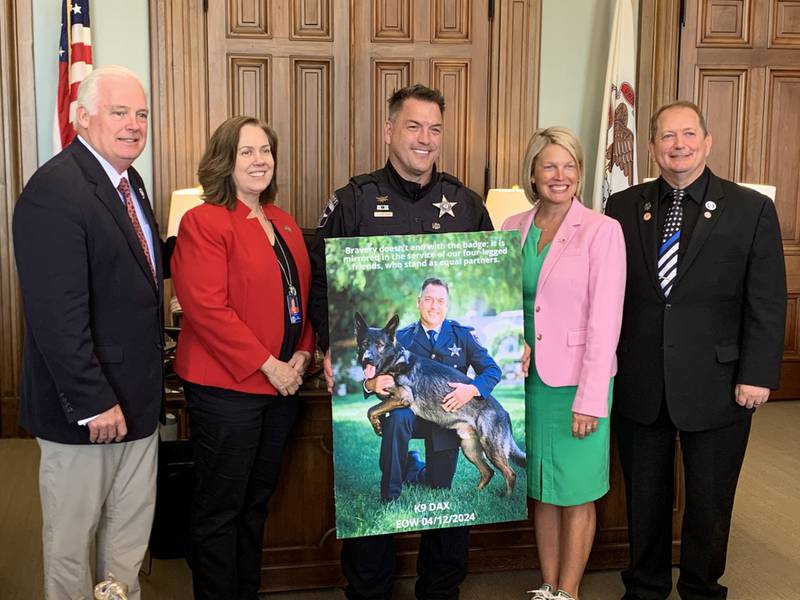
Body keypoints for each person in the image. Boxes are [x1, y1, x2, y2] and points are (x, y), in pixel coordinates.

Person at [309, 83, 493, 600]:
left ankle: (441, 592)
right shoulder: (353, 200)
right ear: (389, 130)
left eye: (434, 128)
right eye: (413, 126)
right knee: (371, 535)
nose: (425, 138)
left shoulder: (467, 203)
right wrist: (327, 346)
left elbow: (493, 262)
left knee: (448, 509)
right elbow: (321, 279)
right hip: (393, 386)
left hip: (446, 388)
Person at [605, 101, 786, 600]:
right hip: (641, 380)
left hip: (719, 383)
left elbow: (767, 301)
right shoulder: (623, 207)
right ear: (651, 147)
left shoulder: (750, 209)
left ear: (707, 141)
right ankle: (645, 587)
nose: (678, 145)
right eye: (666, 136)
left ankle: (703, 589)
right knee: (645, 498)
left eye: (688, 135)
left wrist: (758, 373)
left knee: (709, 501)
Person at [12, 65, 163, 599]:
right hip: (88, 413)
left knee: (126, 543)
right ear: (82, 117)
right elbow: (56, 315)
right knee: (72, 548)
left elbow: (135, 279)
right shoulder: (55, 190)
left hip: (139, 405)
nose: (133, 124)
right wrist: (93, 401)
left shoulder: (129, 181)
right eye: (119, 112)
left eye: (141, 113)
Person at [171, 116, 314, 600]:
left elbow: (302, 300)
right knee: (220, 510)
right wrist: (269, 364)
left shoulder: (285, 222)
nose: (260, 161)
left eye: (265, 151)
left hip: (281, 391)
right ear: (225, 162)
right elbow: (207, 309)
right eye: (247, 152)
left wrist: (302, 353)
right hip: (226, 391)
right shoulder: (204, 221)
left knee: (255, 505)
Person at [502, 127, 626, 600]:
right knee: (541, 486)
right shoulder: (512, 226)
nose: (561, 175)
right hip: (526, 381)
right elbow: (504, 302)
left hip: (577, 385)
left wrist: (590, 399)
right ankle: (548, 585)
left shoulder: (602, 230)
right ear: (532, 172)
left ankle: (569, 592)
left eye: (570, 165)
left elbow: (606, 320)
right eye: (550, 165)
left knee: (574, 490)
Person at [364, 277, 501, 502]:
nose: (433, 306)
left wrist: (471, 390)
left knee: (438, 485)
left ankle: (412, 463)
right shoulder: (401, 338)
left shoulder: (462, 335)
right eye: (428, 299)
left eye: (440, 301)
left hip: (449, 418)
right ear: (419, 302)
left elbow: (492, 370)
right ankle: (389, 494)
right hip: (412, 414)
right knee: (398, 417)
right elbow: (377, 376)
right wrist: (370, 384)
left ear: (447, 305)